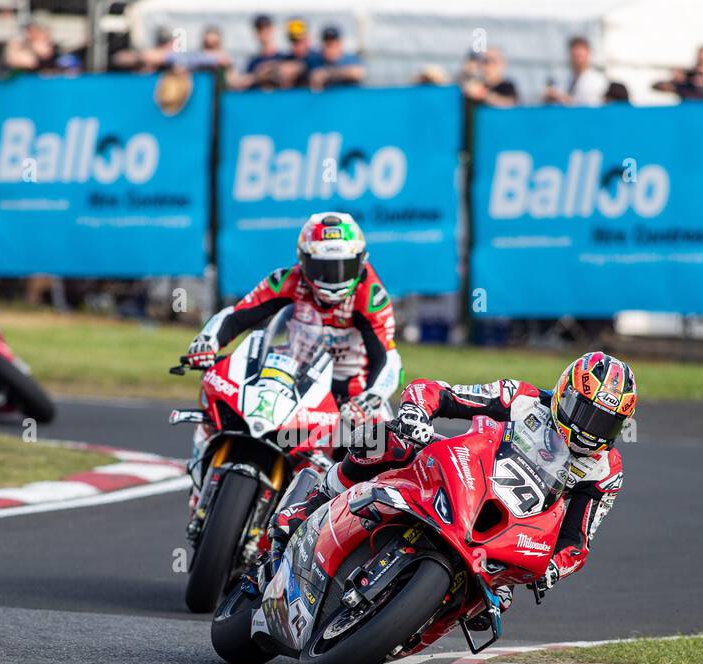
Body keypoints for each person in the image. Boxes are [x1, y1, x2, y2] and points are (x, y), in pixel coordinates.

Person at [268, 352, 637, 616]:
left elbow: (578, 540)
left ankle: (408, 621)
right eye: (586, 414)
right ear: (565, 395)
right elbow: (442, 392)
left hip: (510, 535)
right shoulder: (522, 399)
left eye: (605, 424)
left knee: (492, 606)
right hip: (467, 476)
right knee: (385, 440)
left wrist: (555, 567)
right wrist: (416, 413)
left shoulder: (605, 469)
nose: (590, 431)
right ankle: (315, 499)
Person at [183, 212, 401, 430]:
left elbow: (385, 357)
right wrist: (207, 341)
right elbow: (238, 315)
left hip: (350, 391)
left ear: (361, 261)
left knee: (377, 447)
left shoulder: (372, 296)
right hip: (293, 382)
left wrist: (372, 395)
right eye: (323, 268)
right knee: (226, 418)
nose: (335, 278)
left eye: (345, 266)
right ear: (303, 261)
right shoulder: (287, 280)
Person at [544, 36, 606, 106]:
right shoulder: (565, 79)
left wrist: (563, 99)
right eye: (574, 55)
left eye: (580, 55)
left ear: (588, 54)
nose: (577, 59)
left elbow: (592, 104)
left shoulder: (597, 80)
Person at [306, 25, 364, 91]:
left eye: (332, 45)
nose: (329, 49)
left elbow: (358, 73)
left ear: (340, 44)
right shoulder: (316, 61)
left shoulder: (350, 59)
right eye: (327, 45)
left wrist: (329, 74)